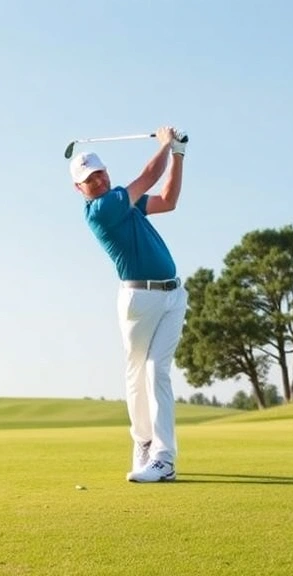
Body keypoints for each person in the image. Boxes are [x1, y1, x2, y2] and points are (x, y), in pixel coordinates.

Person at [69, 126, 188, 483]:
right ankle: (144, 442)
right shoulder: (102, 209)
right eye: (90, 178)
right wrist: (166, 143)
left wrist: (178, 155)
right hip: (139, 300)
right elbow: (150, 175)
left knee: (157, 371)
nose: (99, 180)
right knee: (139, 373)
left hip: (173, 295)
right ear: (80, 188)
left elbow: (167, 200)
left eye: (101, 172)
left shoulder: (125, 199)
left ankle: (163, 457)